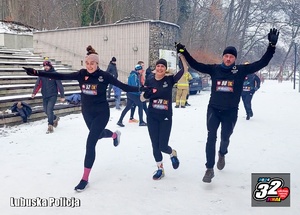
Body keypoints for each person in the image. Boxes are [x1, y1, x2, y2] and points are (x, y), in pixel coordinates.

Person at [23, 45, 146, 191]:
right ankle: (114, 135)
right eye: (87, 63)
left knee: (90, 143)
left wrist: (142, 89)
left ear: (97, 63)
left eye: (92, 63)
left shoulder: (104, 76)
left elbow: (123, 86)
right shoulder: (81, 74)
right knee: (98, 135)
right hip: (87, 112)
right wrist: (37, 73)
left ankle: (84, 179)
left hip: (101, 112)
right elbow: (60, 76)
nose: (89, 66)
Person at [175, 28, 279, 183]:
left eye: (231, 56)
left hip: (230, 112)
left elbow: (262, 62)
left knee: (225, 137)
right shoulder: (214, 69)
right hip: (214, 110)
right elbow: (195, 64)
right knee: (211, 137)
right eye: (226, 56)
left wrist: (271, 46)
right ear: (223, 57)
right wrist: (184, 51)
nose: (228, 58)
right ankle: (209, 169)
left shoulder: (241, 70)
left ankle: (222, 153)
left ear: (234, 59)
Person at [142, 56, 186, 180]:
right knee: (155, 145)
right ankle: (160, 169)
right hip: (152, 116)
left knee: (163, 146)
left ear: (165, 69)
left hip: (165, 117)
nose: (160, 68)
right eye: (158, 66)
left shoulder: (170, 79)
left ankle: (172, 153)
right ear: (155, 68)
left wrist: (182, 57)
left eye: (163, 66)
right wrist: (146, 94)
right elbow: (142, 96)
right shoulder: (150, 79)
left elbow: (184, 70)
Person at [31, 60, 65, 134]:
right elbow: (38, 84)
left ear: (50, 66)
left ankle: (50, 126)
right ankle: (55, 118)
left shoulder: (54, 74)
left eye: (47, 66)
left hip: (53, 95)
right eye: (44, 66)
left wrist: (62, 95)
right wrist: (34, 93)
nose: (46, 67)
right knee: (46, 111)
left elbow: (59, 85)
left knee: (49, 110)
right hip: (45, 95)